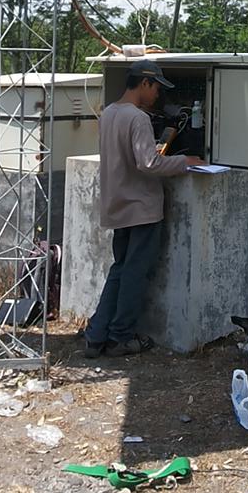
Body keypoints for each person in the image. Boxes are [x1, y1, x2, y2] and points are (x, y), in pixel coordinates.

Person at [84, 59, 203, 358]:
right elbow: (148, 163)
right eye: (156, 88)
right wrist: (185, 162)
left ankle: (96, 336)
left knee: (120, 269)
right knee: (135, 273)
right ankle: (120, 337)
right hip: (141, 208)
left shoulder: (108, 113)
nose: (158, 95)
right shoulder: (137, 118)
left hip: (118, 205)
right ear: (145, 83)